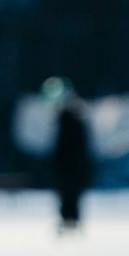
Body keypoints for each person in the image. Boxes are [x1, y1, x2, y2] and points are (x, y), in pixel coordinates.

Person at [45, 78, 93, 234]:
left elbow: (64, 144)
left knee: (68, 193)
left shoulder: (68, 119)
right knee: (70, 193)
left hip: (69, 163)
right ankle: (70, 219)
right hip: (72, 163)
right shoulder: (78, 118)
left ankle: (70, 219)